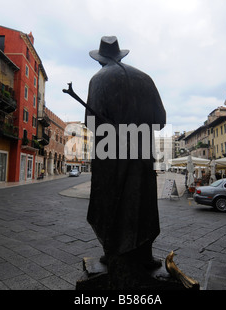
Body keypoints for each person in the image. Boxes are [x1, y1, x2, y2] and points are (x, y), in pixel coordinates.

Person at [85, 36, 166, 279]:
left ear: (101, 60)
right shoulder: (145, 78)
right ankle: (144, 255)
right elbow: (160, 121)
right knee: (143, 201)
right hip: (142, 152)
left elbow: (92, 123)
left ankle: (112, 254)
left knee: (109, 201)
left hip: (110, 154)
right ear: (120, 55)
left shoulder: (98, 79)